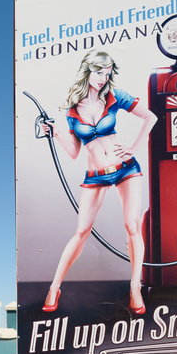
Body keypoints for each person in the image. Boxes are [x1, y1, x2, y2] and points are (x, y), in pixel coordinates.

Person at [42, 50, 156, 315]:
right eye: (98, 72)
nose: (103, 78)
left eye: (107, 73)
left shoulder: (116, 96)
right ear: (87, 71)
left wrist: (134, 148)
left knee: (132, 225)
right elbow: (73, 153)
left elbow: (150, 117)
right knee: (81, 231)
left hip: (125, 168)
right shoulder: (73, 110)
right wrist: (56, 132)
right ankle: (54, 287)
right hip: (95, 175)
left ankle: (135, 287)